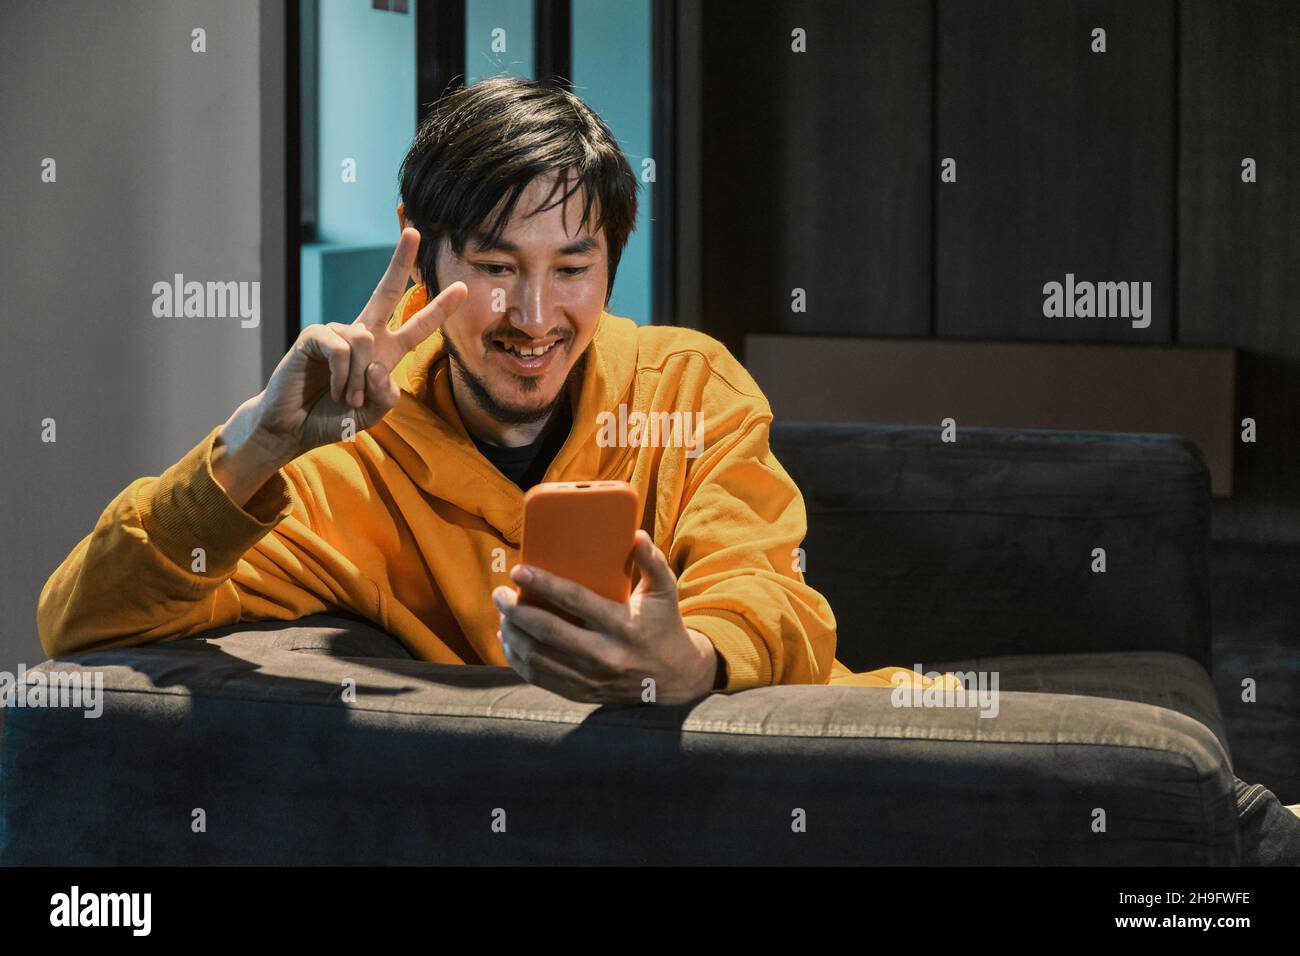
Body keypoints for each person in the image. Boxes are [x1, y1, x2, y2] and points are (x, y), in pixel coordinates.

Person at [35, 76, 1297, 864]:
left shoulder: (685, 382)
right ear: (423, 267)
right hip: (572, 812)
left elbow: (778, 596)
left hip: (784, 738)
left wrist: (686, 660)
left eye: (570, 267)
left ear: (610, 268)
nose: (534, 313)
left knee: (1188, 800)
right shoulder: (347, 458)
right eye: (494, 264)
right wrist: (255, 444)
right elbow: (80, 618)